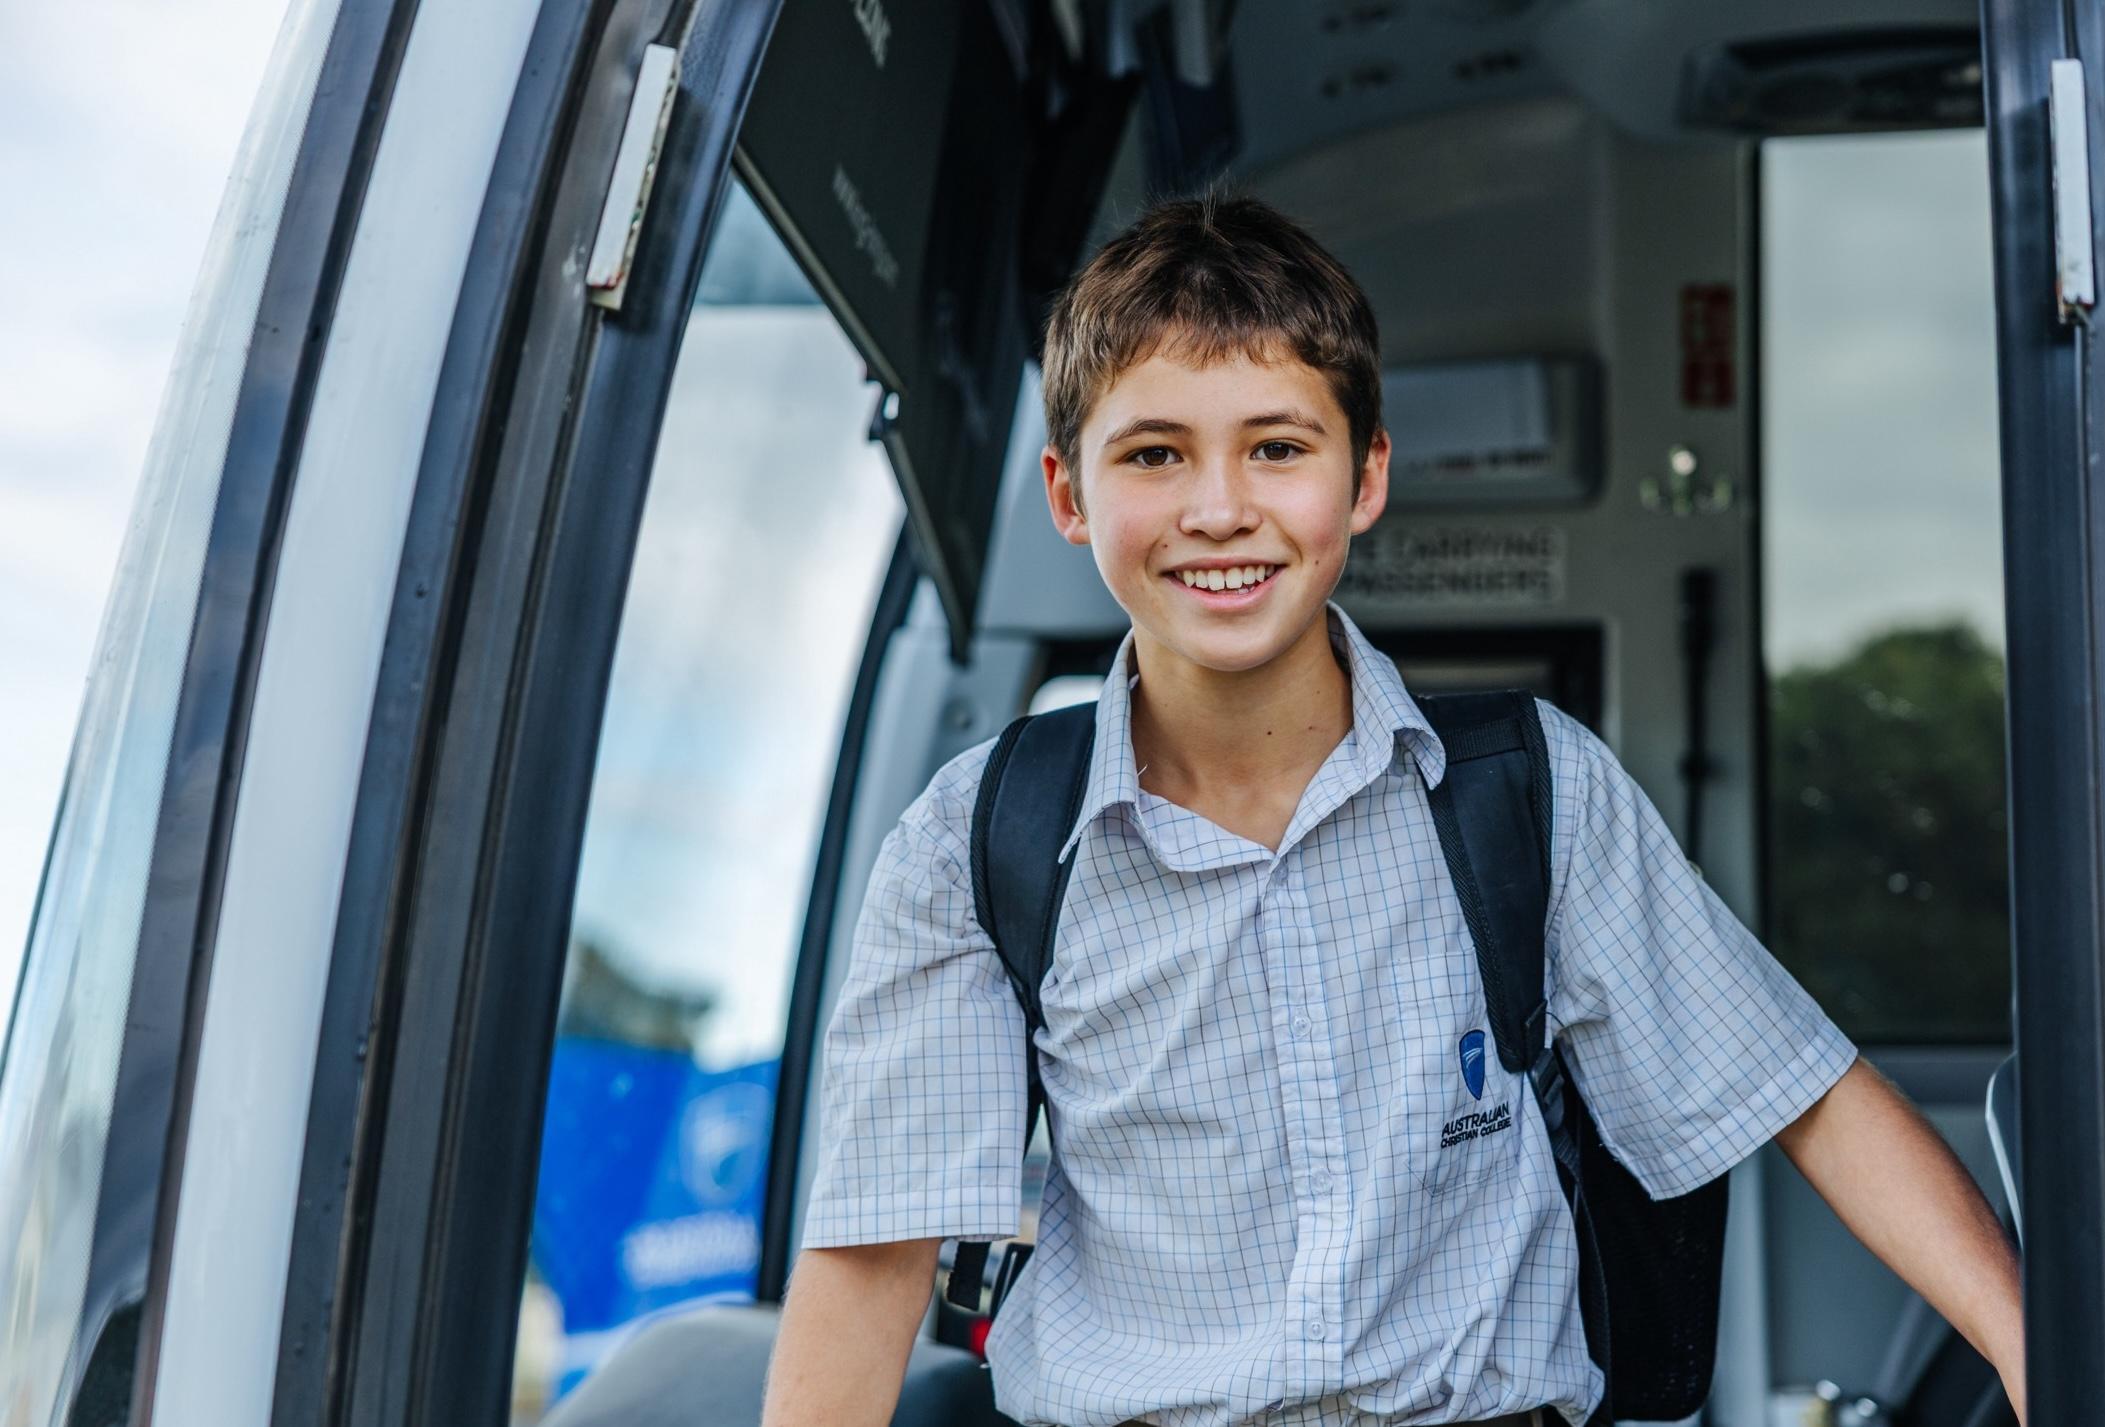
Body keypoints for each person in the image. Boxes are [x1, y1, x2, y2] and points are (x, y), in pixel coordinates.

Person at [760, 190, 2025, 1427]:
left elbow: (1800, 1089)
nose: (1218, 507)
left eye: (1276, 446)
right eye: (1155, 452)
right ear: (1068, 492)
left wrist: (2032, 1351)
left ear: (1362, 478)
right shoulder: (974, 842)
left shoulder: (1531, 791)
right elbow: (878, 1245)